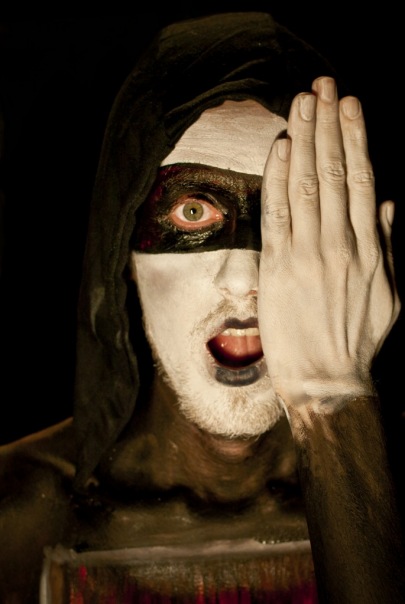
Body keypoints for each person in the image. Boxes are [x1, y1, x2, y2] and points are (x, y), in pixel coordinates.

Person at [0, 11, 404, 603]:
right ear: (122, 248)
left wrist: (334, 398)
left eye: (291, 217)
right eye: (194, 212)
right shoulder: (16, 516)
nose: (243, 280)